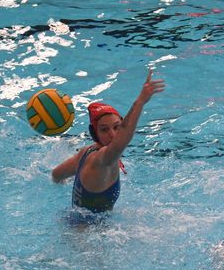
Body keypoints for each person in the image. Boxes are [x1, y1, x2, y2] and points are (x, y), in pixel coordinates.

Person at [51, 69, 165, 213]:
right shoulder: (102, 159)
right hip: (89, 234)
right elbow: (122, 139)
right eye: (104, 130)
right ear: (95, 133)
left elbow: (56, 175)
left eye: (116, 127)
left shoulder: (86, 152)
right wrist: (140, 102)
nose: (112, 134)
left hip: (73, 225)